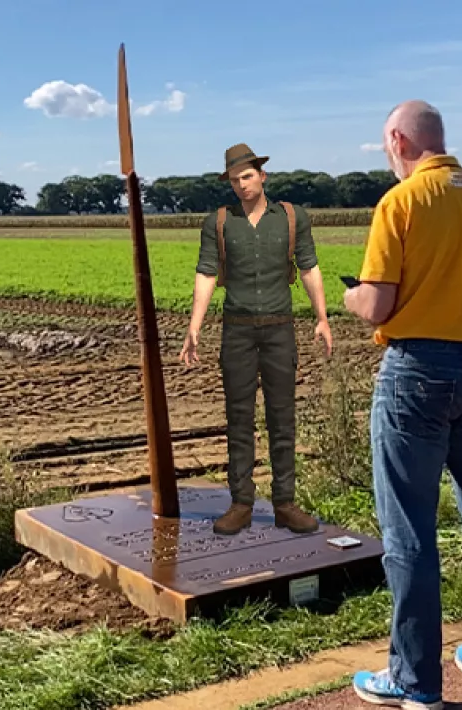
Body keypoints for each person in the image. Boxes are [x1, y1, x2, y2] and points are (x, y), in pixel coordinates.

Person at [343, 101, 462, 709]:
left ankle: (414, 680)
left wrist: (351, 300)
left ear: (398, 139)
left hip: (418, 370)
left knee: (410, 528)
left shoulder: (402, 202)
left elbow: (379, 305)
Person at [180, 142, 332, 536]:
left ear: (262, 177)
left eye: (247, 177)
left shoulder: (292, 218)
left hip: (281, 328)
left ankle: (285, 503)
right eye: (234, 180)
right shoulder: (218, 222)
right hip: (238, 330)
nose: (242, 185)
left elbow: (310, 266)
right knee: (239, 417)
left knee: (283, 416)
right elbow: (207, 273)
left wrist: (322, 317)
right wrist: (195, 325)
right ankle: (241, 503)